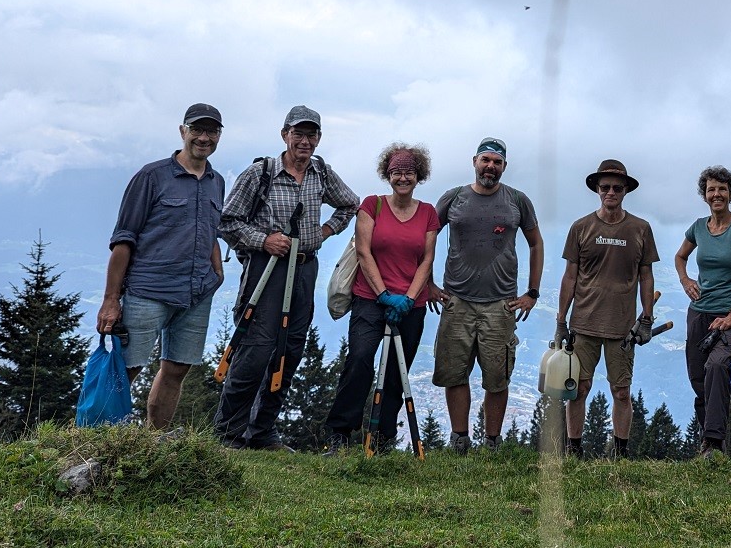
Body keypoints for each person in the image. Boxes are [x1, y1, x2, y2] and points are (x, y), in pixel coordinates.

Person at [214, 105, 359, 450]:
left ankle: (262, 432)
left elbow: (351, 204)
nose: (305, 141)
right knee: (255, 350)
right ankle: (229, 434)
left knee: (290, 349)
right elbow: (227, 221)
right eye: (299, 134)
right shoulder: (260, 173)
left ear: (319, 139)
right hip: (266, 270)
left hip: (305, 268)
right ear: (285, 135)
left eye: (312, 135)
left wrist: (324, 232)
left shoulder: (321, 173)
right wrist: (263, 240)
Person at [96, 103, 226, 430]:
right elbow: (124, 239)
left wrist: (216, 270)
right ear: (183, 131)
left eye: (212, 131)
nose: (204, 137)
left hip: (196, 294)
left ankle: (157, 439)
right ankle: (94, 440)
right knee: (125, 369)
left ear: (219, 136)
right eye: (197, 129)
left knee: (177, 369)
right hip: (147, 291)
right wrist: (111, 300)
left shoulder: (216, 181)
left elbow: (209, 229)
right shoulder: (151, 176)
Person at [324, 144, 439, 454]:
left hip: (411, 305)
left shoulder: (428, 213)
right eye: (397, 172)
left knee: (396, 372)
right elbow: (363, 252)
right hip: (369, 299)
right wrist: (385, 296)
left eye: (409, 172)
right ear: (388, 175)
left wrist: (408, 298)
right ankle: (341, 431)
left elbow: (426, 260)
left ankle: (383, 435)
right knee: (360, 359)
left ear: (419, 176)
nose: (403, 177)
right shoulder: (372, 205)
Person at [430, 137, 543, 454]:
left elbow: (536, 243)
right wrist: (427, 283)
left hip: (501, 304)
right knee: (455, 375)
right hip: (457, 301)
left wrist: (532, 292)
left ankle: (491, 442)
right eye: (486, 160)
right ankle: (460, 439)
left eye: (497, 162)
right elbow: (426, 238)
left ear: (504, 167)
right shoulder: (453, 198)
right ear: (474, 162)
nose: (490, 166)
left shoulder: (517, 201)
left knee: (497, 379)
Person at [558, 160, 659, 459]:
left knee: (621, 392)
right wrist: (561, 320)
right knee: (578, 388)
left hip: (623, 327)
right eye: (605, 188)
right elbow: (570, 276)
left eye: (617, 187)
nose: (611, 192)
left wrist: (647, 318)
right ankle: (574, 451)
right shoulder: (581, 227)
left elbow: (646, 276)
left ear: (626, 190)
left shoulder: (641, 228)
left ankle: (620, 453)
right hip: (584, 323)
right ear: (597, 190)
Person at [674, 166, 731, 459]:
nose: (716, 194)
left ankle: (714, 441)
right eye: (711, 189)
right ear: (704, 195)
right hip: (698, 313)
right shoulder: (698, 227)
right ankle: (708, 445)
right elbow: (680, 256)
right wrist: (686, 280)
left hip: (730, 315)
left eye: (722, 189)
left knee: (718, 366)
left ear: (730, 193)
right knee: (699, 377)